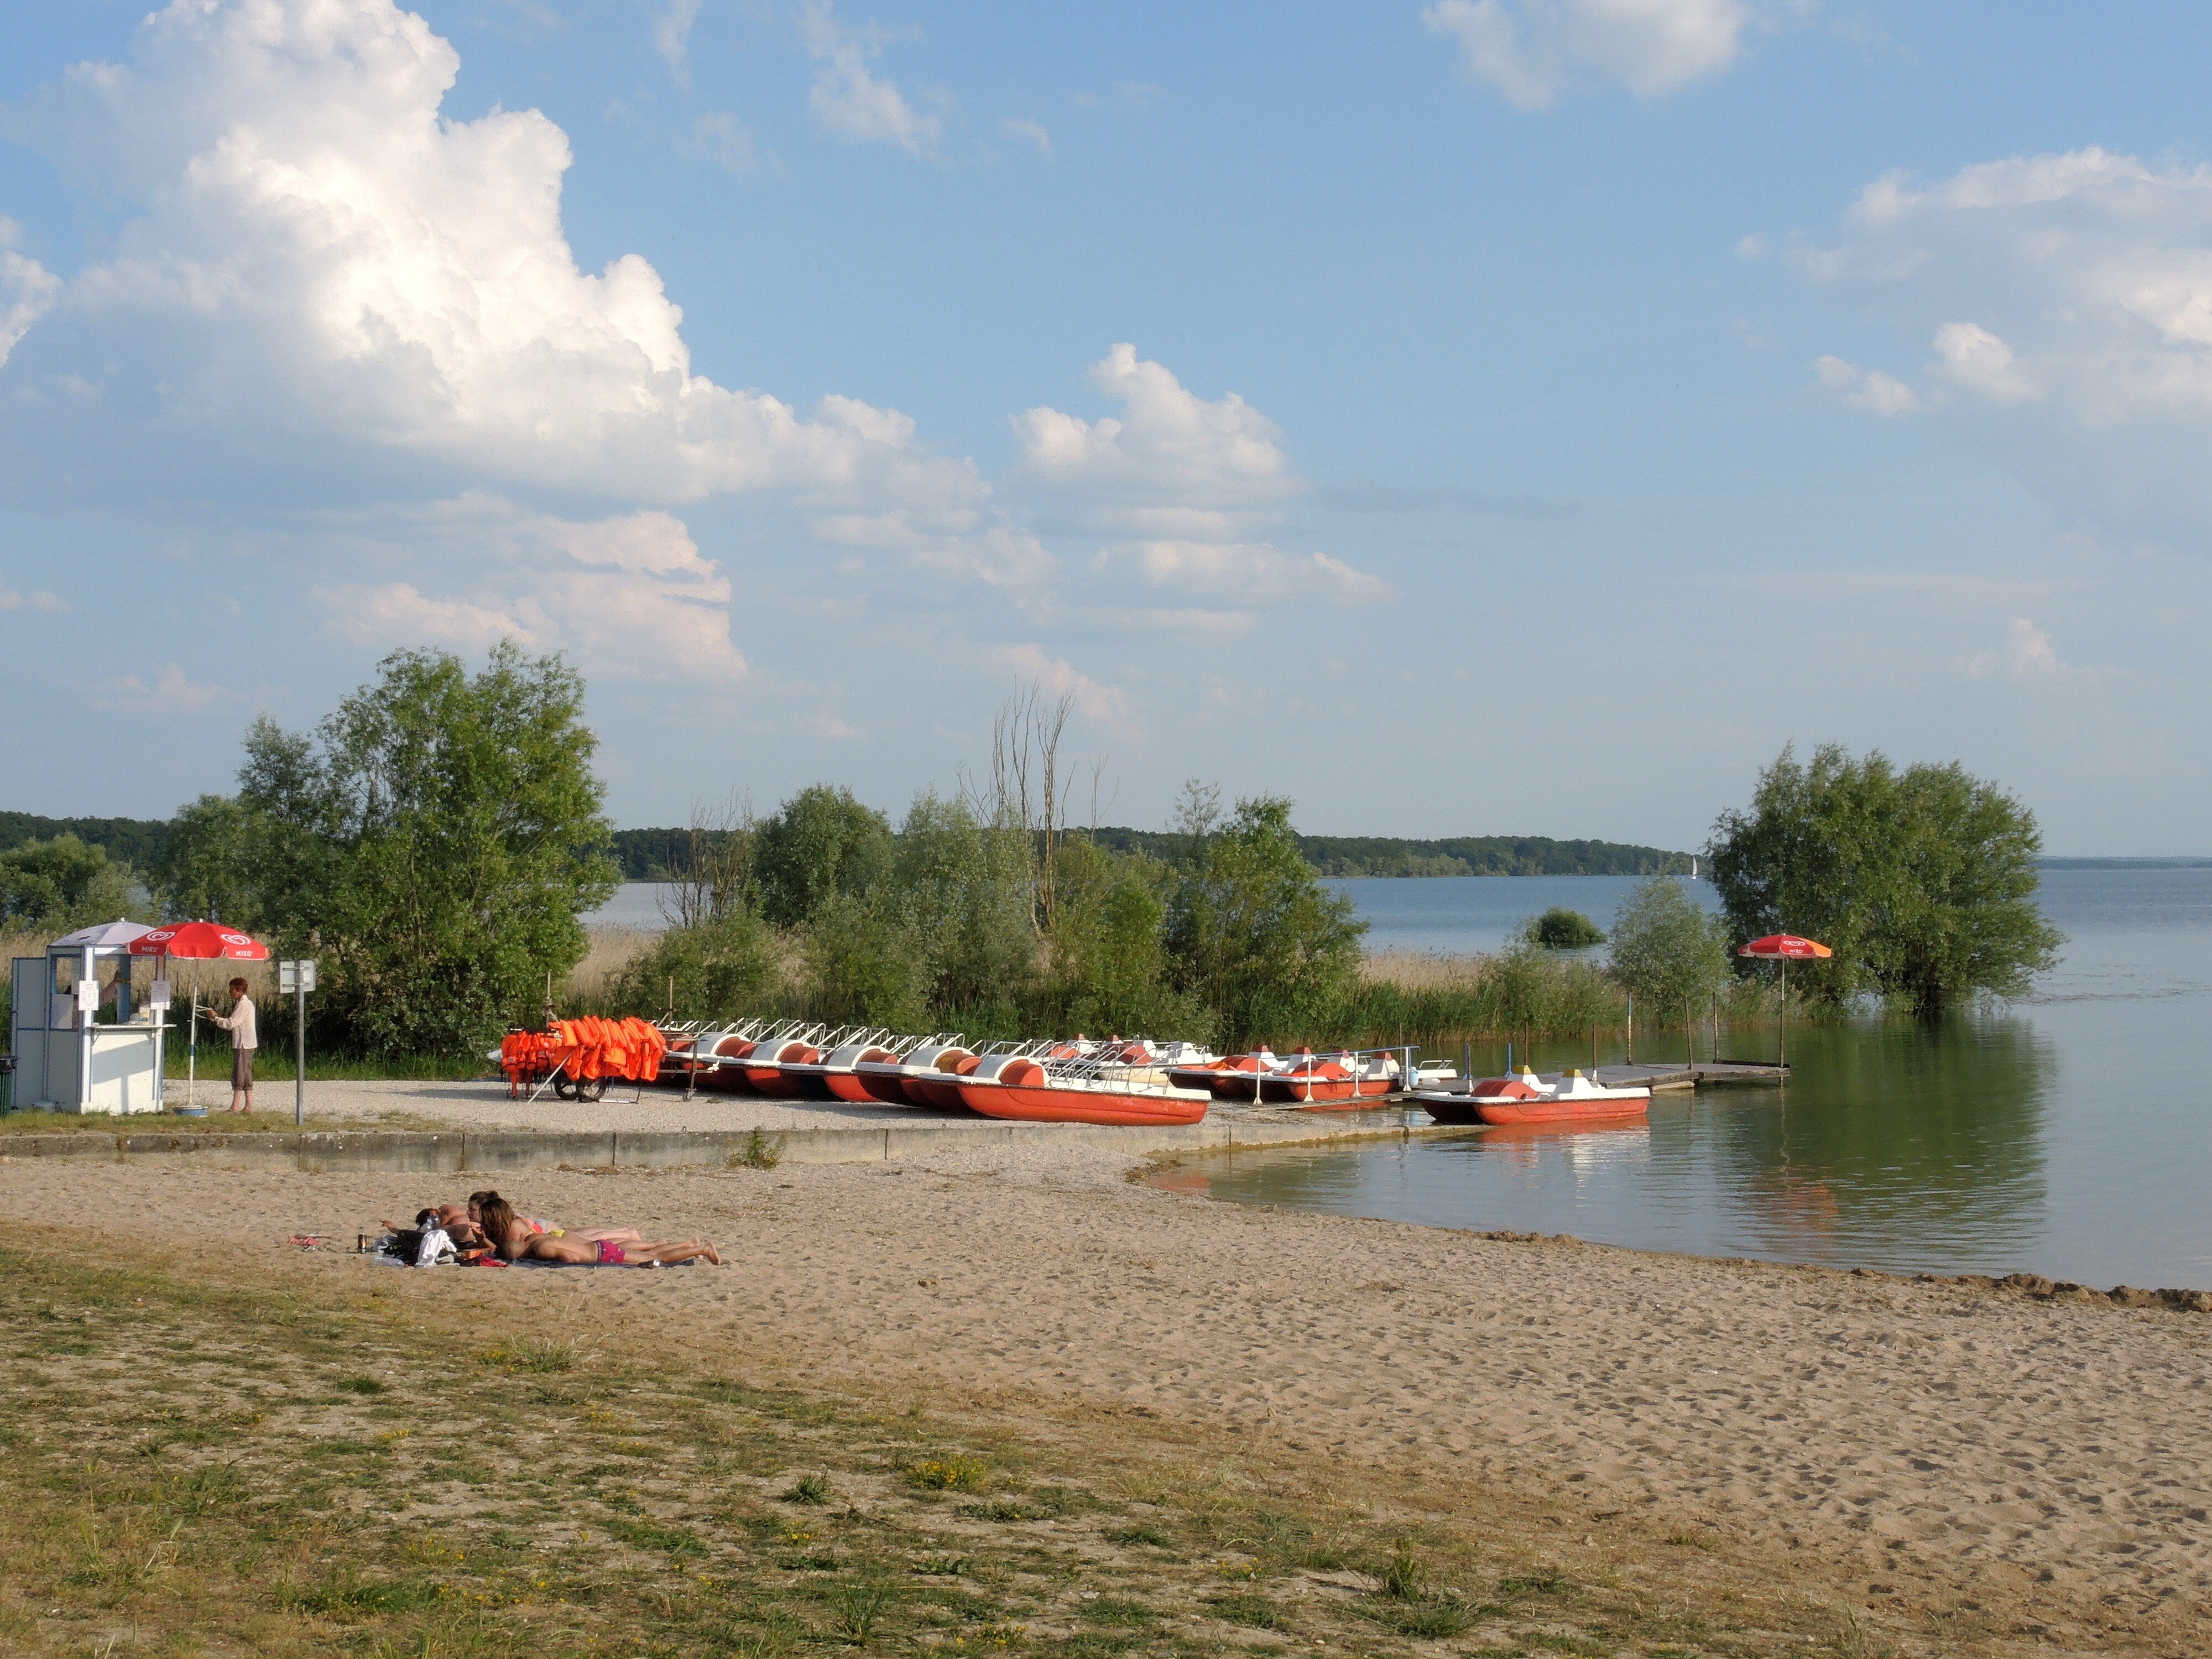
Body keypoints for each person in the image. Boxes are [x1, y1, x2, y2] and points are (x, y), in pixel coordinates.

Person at [475, 1194, 719, 1267]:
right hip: (601, 1249)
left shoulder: (539, 1248)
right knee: (647, 1252)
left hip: (603, 1255)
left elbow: (570, 1257)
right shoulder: (535, 1239)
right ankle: (687, 1245)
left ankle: (702, 1248)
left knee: (657, 1260)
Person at [202, 975, 257, 1113]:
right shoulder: (244, 1004)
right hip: (246, 1043)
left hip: (243, 1044)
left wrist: (215, 1018)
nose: (230, 992)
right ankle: (248, 1105)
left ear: (239, 990)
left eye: (232, 990)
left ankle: (235, 1106)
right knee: (245, 1074)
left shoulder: (244, 1005)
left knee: (239, 1073)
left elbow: (231, 1023)